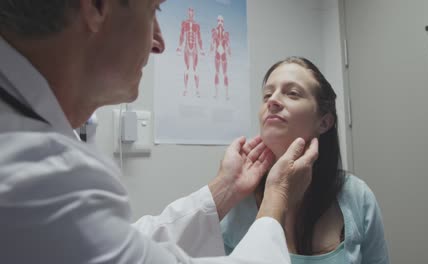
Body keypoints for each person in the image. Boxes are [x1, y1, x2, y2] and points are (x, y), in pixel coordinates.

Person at [0, 1, 317, 264]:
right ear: (96, 6)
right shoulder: (33, 173)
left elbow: (121, 243)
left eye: (293, 93)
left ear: (325, 120)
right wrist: (278, 198)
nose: (160, 43)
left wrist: (224, 189)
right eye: (154, 11)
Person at [221, 57, 390, 263]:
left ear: (324, 122)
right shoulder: (238, 198)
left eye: (292, 93)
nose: (272, 100)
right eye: (267, 95)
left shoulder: (357, 195)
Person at [176, 7, 204, 97]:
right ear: (188, 13)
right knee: (187, 69)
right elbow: (182, 35)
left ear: (193, 13)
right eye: (190, 12)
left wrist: (202, 49)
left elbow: (199, 38)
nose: (191, 14)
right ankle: (185, 89)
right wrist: (179, 47)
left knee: (196, 69)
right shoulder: (185, 23)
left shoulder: (197, 25)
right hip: (187, 48)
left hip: (195, 48)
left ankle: (197, 90)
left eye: (192, 12)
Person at [210, 15, 231, 100]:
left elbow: (228, 45)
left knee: (225, 74)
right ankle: (216, 93)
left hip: (224, 56)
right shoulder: (214, 32)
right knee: (217, 73)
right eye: (219, 21)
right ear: (217, 21)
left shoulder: (226, 33)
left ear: (223, 22)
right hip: (217, 55)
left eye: (221, 21)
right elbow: (212, 44)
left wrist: (229, 52)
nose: (220, 23)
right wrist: (211, 49)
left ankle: (226, 94)